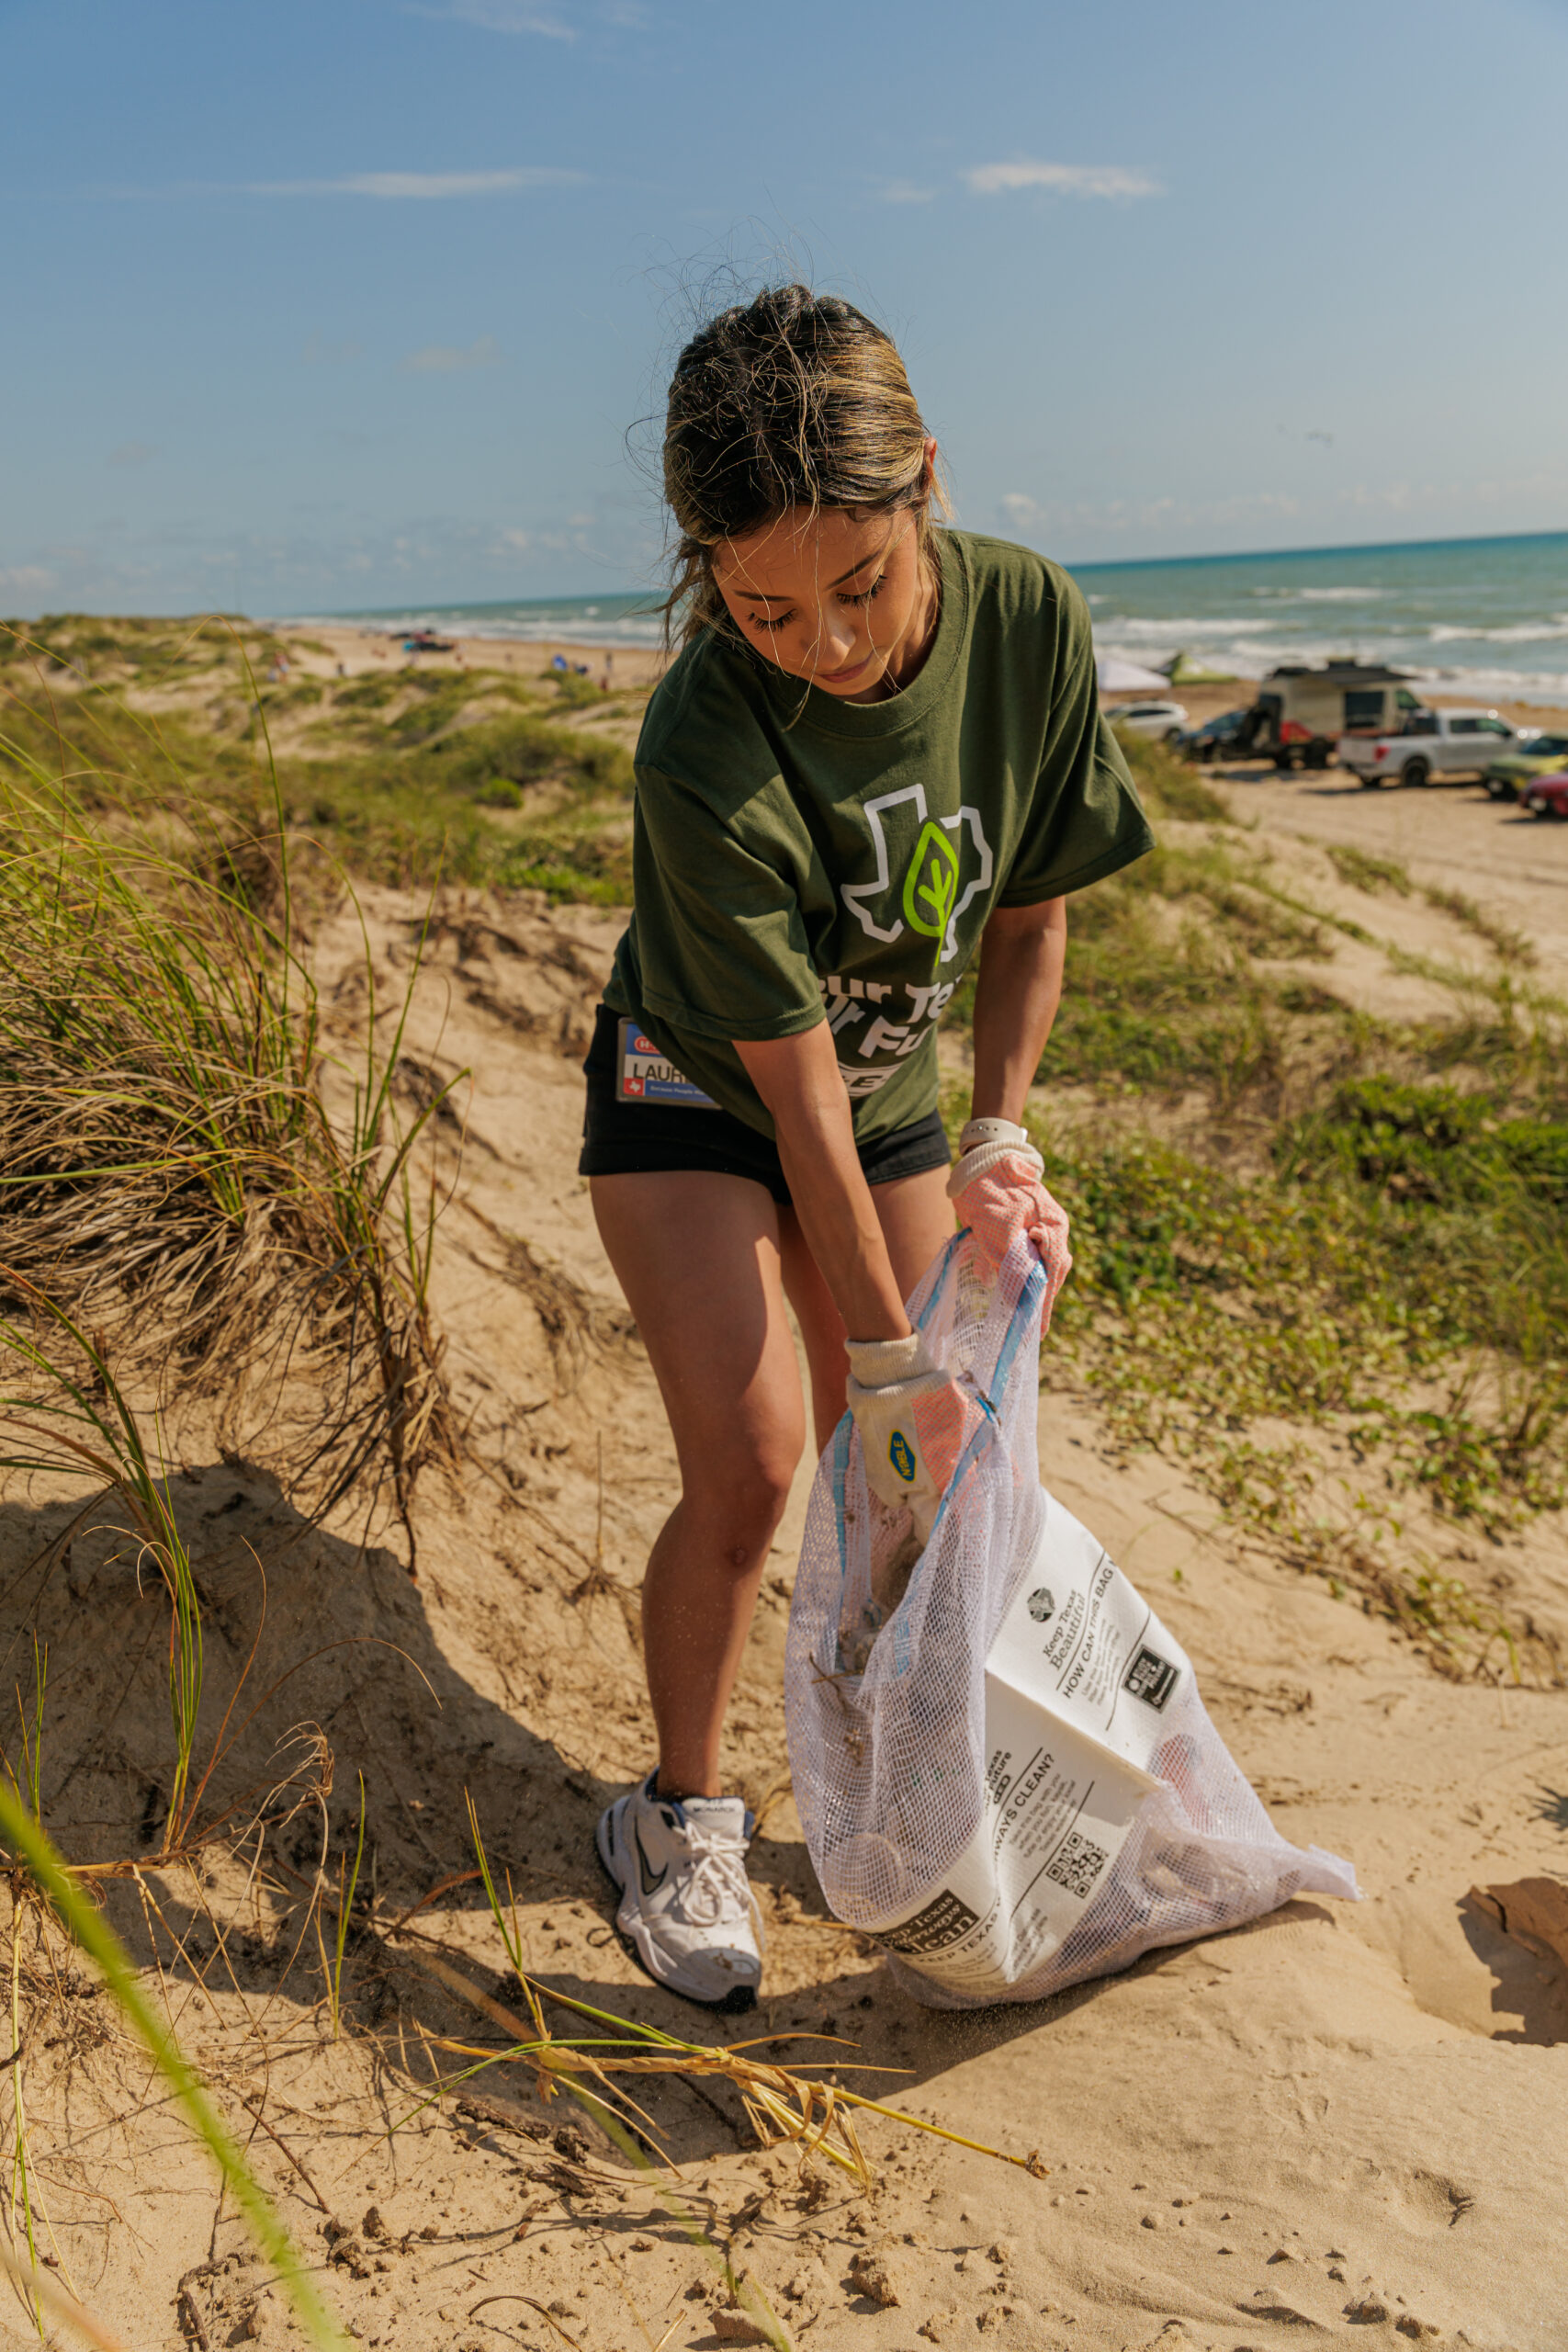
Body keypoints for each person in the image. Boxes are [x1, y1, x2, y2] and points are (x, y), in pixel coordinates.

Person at [584, 285, 1153, 2009]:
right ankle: (673, 1816)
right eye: (760, 607)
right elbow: (795, 1091)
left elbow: (1032, 912)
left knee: (919, 1486)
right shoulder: (701, 740)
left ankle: (911, 1787)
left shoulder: (1027, 619)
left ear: (928, 493)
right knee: (767, 1463)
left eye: (859, 586)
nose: (822, 642)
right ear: (704, 572)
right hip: (699, 1090)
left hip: (896, 1089)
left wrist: (996, 1130)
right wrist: (888, 1351)